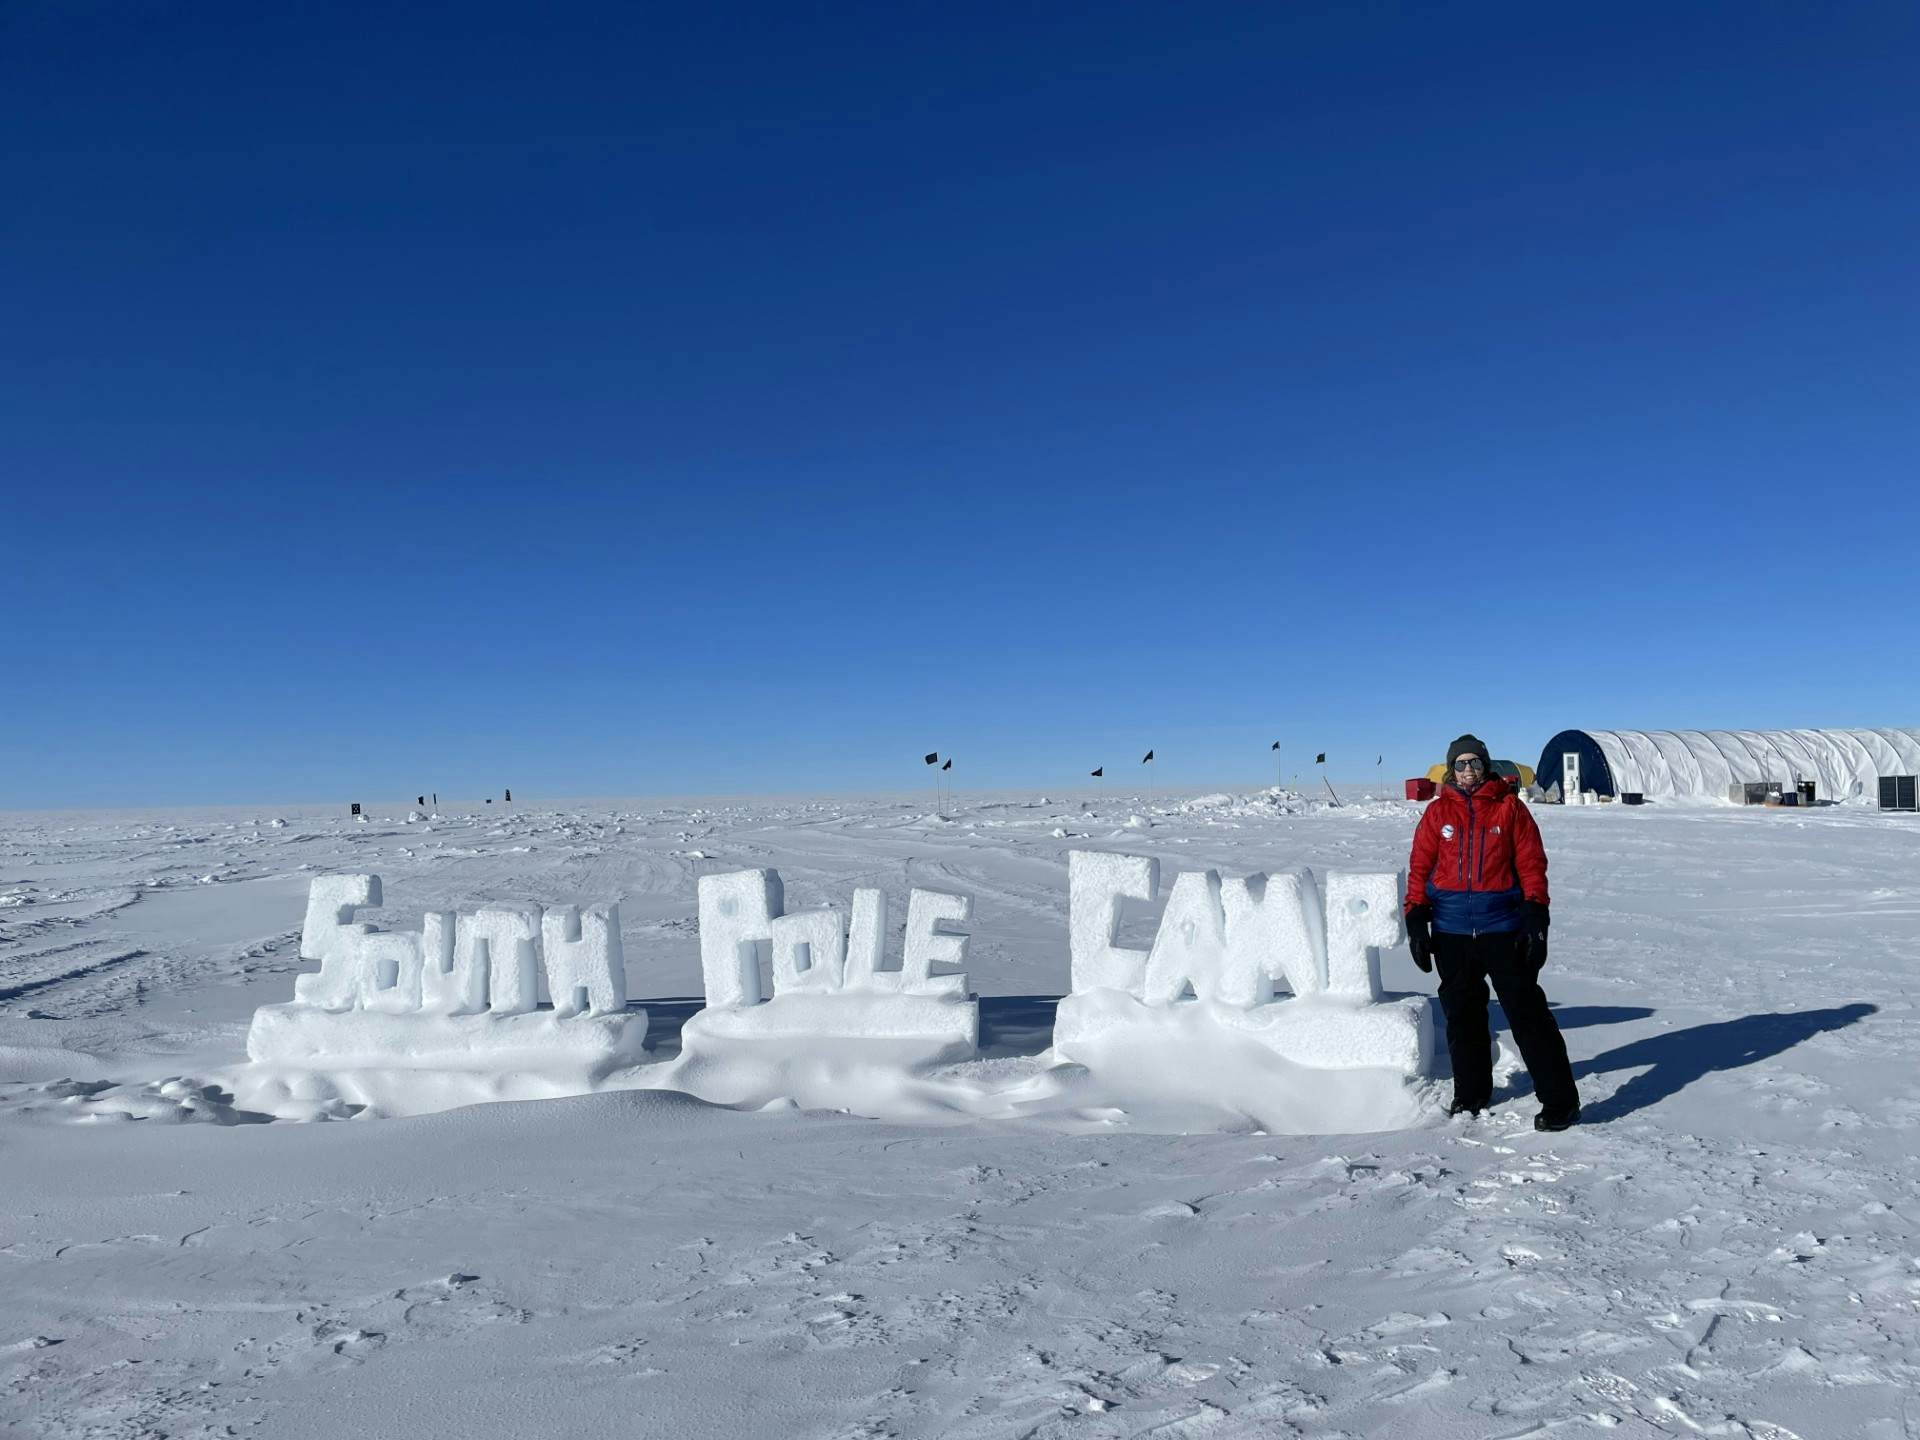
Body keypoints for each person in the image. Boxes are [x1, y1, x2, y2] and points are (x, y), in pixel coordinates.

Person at [1404, 734, 1580, 1131]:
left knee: (1527, 1015)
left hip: (1502, 928)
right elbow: (1420, 868)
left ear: (1487, 766)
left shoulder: (1510, 810)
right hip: (1450, 930)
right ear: (1452, 769)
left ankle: (1560, 1100)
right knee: (1462, 1017)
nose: (1469, 771)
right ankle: (1471, 1093)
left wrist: (1536, 916)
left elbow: (1532, 866)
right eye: (1461, 764)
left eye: (1475, 763)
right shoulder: (1436, 815)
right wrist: (1415, 915)